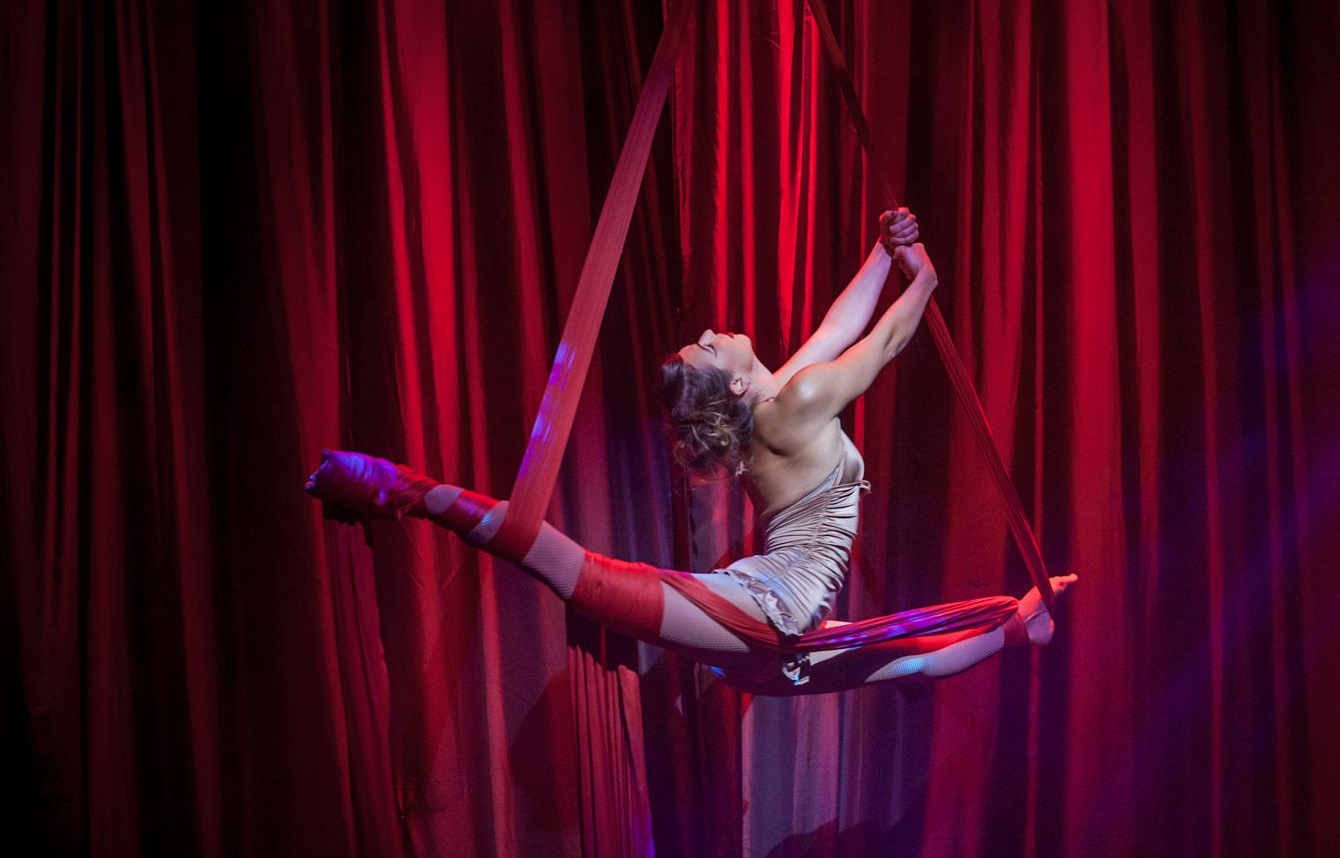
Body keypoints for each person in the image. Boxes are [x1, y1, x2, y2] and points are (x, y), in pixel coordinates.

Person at [307, 208, 1072, 694]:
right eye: (710, 347)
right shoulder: (794, 406)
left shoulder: (779, 407)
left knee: (912, 658)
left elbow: (839, 328)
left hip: (779, 635)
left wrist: (881, 253)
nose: (714, 332)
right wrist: (926, 275)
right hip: (768, 609)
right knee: (588, 575)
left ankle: (1021, 631)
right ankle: (400, 486)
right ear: (735, 387)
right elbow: (886, 339)